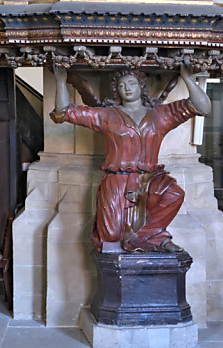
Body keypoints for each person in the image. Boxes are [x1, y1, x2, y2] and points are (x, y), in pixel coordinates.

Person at [51, 61, 211, 252]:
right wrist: (60, 81)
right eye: (121, 85)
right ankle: (146, 239)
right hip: (116, 181)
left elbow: (203, 108)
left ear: (141, 87)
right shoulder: (107, 115)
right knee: (110, 235)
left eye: (132, 83)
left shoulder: (160, 115)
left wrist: (188, 78)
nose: (127, 88)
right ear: (116, 91)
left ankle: (151, 237)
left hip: (150, 179)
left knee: (174, 194)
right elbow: (64, 112)